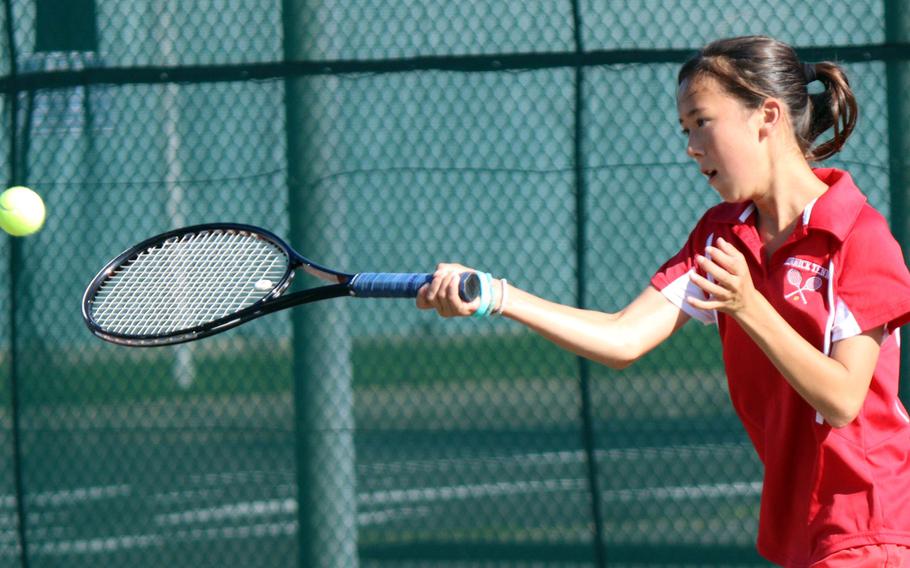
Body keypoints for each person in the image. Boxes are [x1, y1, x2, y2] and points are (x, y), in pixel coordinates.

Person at [416, 35, 910, 567]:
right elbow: (623, 337)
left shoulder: (858, 235)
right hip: (798, 531)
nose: (691, 147)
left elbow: (841, 399)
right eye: (685, 129)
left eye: (702, 122)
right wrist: (495, 294)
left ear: (766, 116)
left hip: (870, 525)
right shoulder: (722, 236)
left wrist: (749, 306)